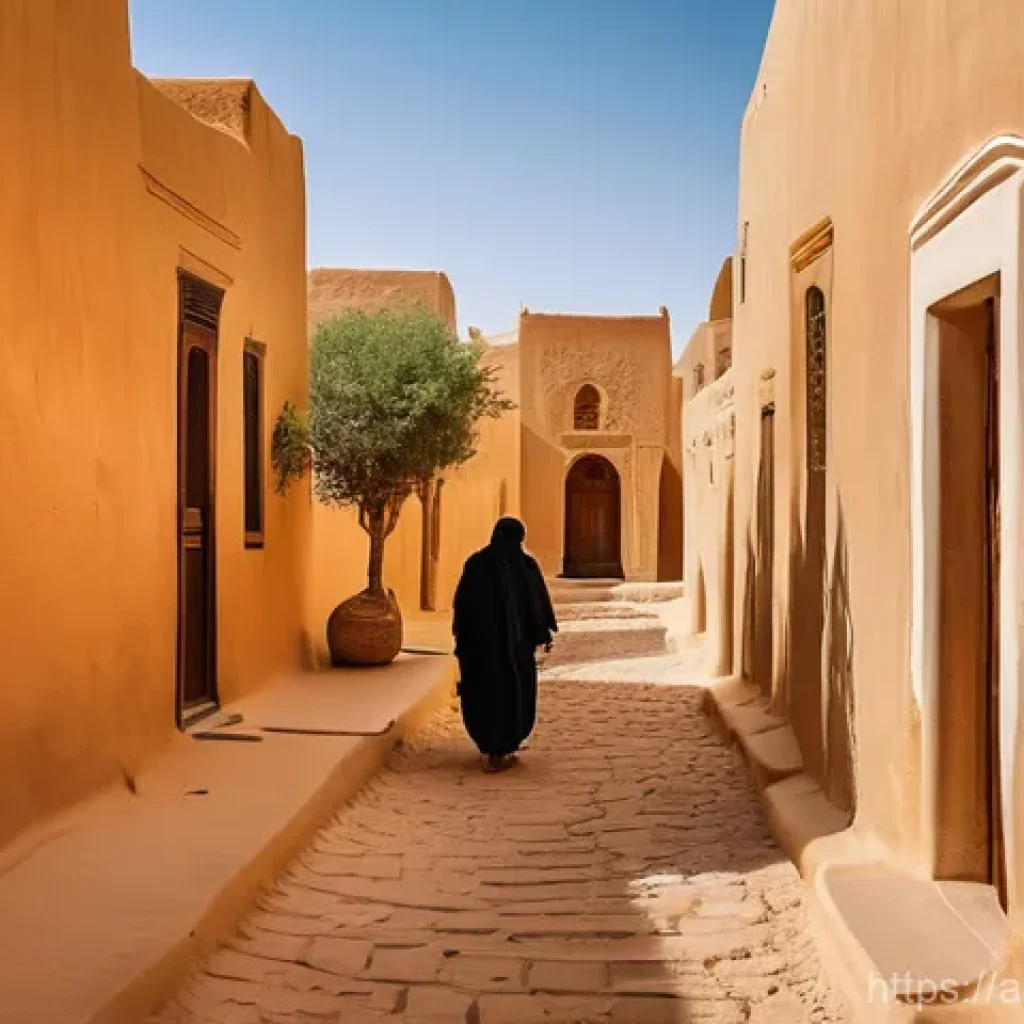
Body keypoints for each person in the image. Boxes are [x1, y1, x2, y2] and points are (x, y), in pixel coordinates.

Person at [452, 517, 558, 772]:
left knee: (485, 694)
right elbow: (538, 606)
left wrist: (464, 642)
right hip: (513, 651)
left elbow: (462, 608)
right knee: (514, 696)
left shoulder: (478, 564)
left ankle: (491, 745)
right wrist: (540, 634)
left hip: (483, 650)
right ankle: (503, 745)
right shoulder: (525, 565)